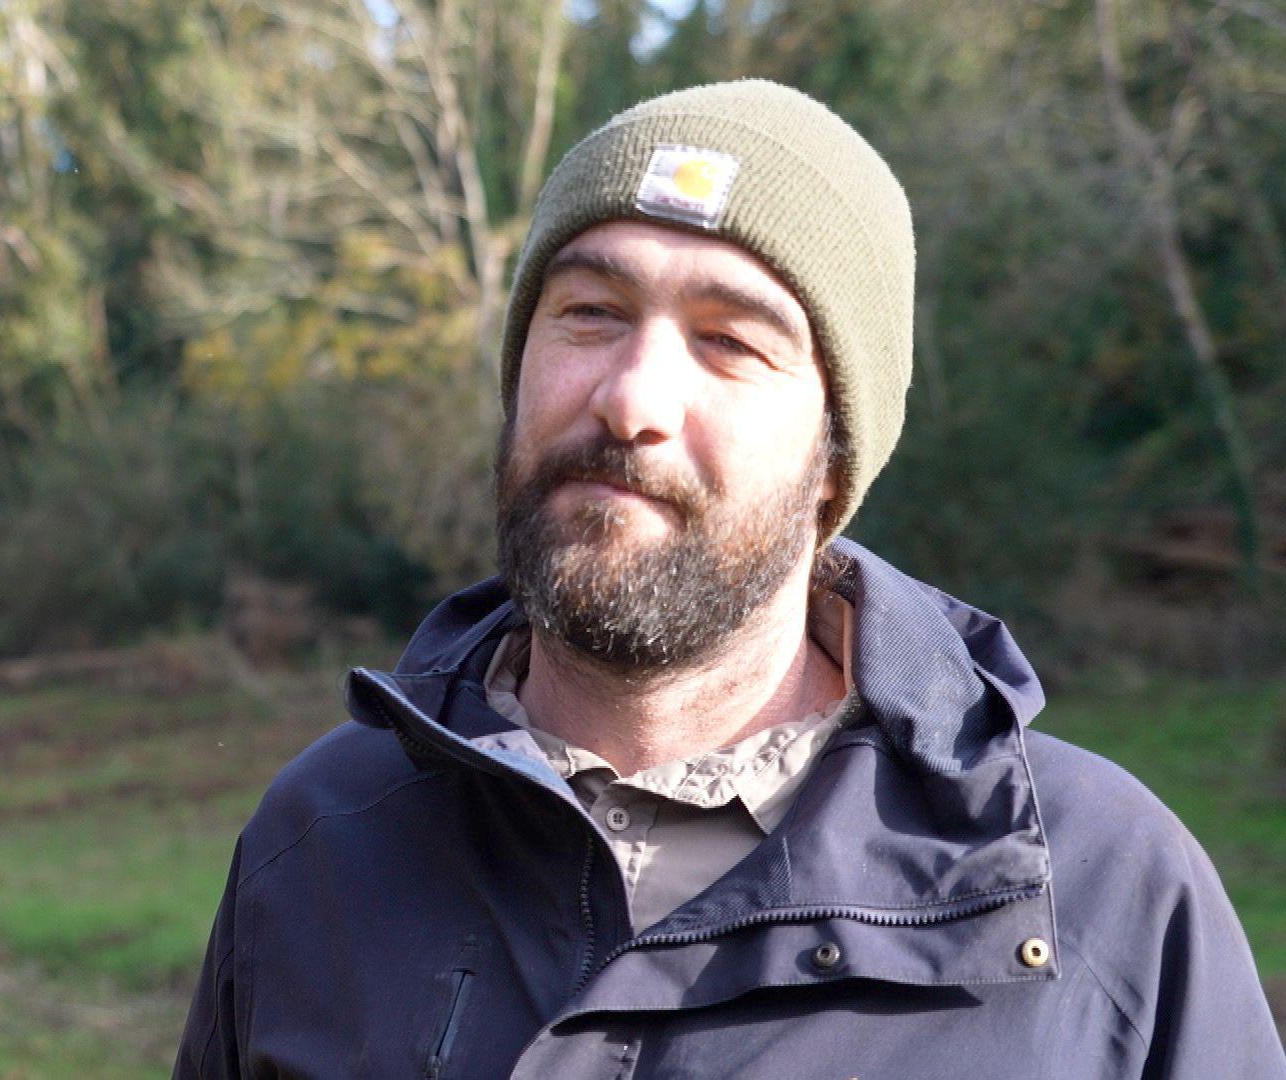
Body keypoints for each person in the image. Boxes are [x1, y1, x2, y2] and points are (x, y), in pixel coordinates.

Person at [174, 80, 1286, 1079]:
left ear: (836, 460)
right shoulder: (324, 838)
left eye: (730, 342)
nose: (633, 400)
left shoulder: (1100, 895)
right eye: (592, 313)